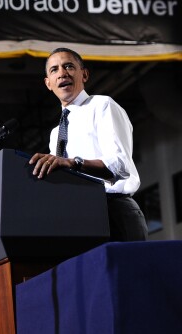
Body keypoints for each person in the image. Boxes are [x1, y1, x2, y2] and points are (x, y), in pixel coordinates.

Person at [29, 47, 147, 242]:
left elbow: (119, 165)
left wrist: (73, 162)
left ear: (84, 74)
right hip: (78, 220)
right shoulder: (56, 133)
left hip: (114, 213)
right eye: (54, 70)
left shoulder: (102, 106)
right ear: (48, 83)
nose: (62, 74)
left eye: (68, 66)